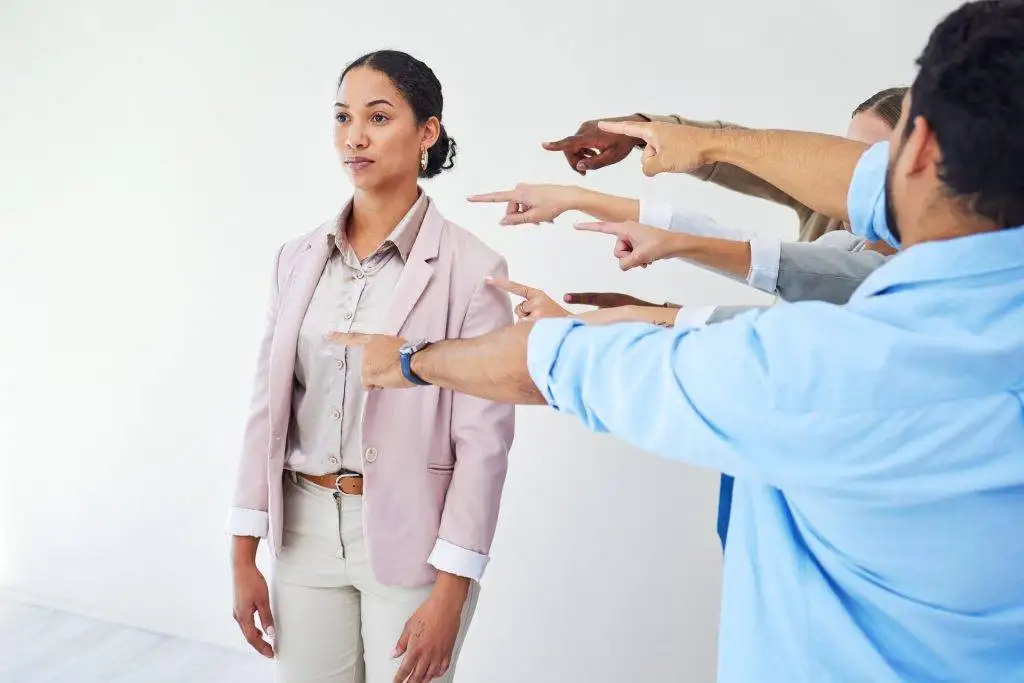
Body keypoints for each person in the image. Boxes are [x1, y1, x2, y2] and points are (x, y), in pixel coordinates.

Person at [333, 2, 1024, 680]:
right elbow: (862, 187)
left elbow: (547, 360)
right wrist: (678, 141)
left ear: (922, 149)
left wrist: (407, 360)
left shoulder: (813, 371)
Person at [475, 88, 905, 548]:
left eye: (870, 162)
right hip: (770, 453)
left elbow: (784, 282)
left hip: (846, 478)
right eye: (848, 156)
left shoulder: (913, 269)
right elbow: (745, 156)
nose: (855, 177)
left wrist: (638, 313)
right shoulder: (839, 222)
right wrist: (634, 140)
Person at [226, 50, 514, 683]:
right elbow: (266, 407)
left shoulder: (474, 271)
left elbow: (483, 444)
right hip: (301, 533)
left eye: (378, 117)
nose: (354, 136)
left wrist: (452, 589)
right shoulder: (295, 258)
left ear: (427, 133)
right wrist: (244, 549)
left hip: (414, 542)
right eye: (342, 117)